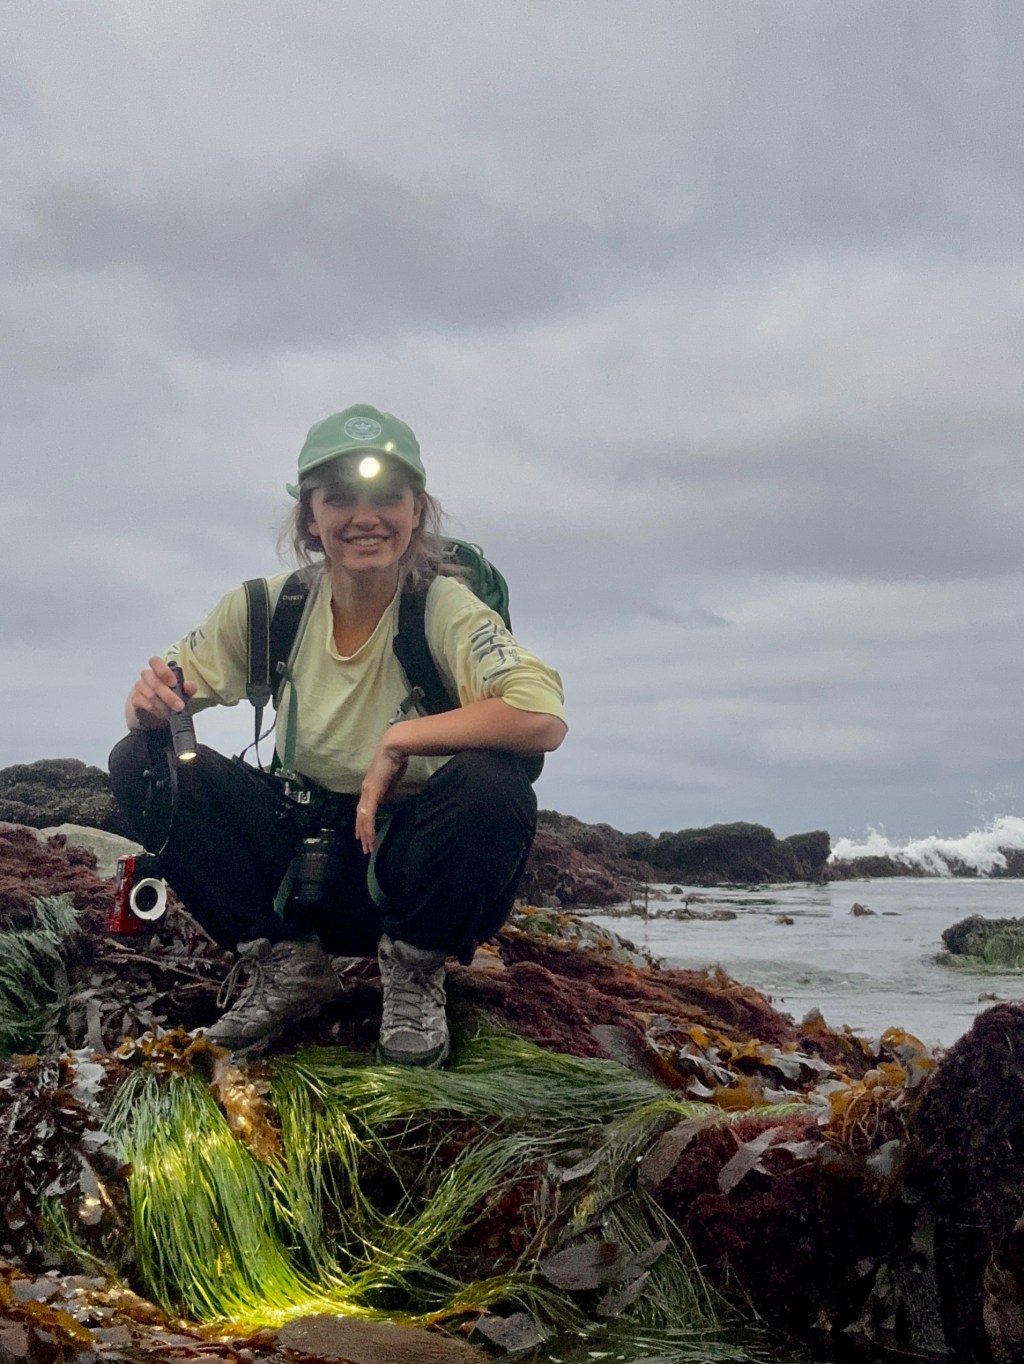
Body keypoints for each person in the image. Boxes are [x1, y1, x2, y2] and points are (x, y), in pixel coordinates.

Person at [108, 404, 567, 1066]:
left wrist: (401, 740)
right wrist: (146, 707)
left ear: (417, 512)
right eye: (340, 498)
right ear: (310, 518)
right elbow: (156, 700)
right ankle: (287, 966)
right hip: (300, 867)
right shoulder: (267, 609)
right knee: (140, 760)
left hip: (405, 871)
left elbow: (540, 716)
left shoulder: (444, 607)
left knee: (494, 782)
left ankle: (414, 971)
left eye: (388, 498)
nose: (365, 517)